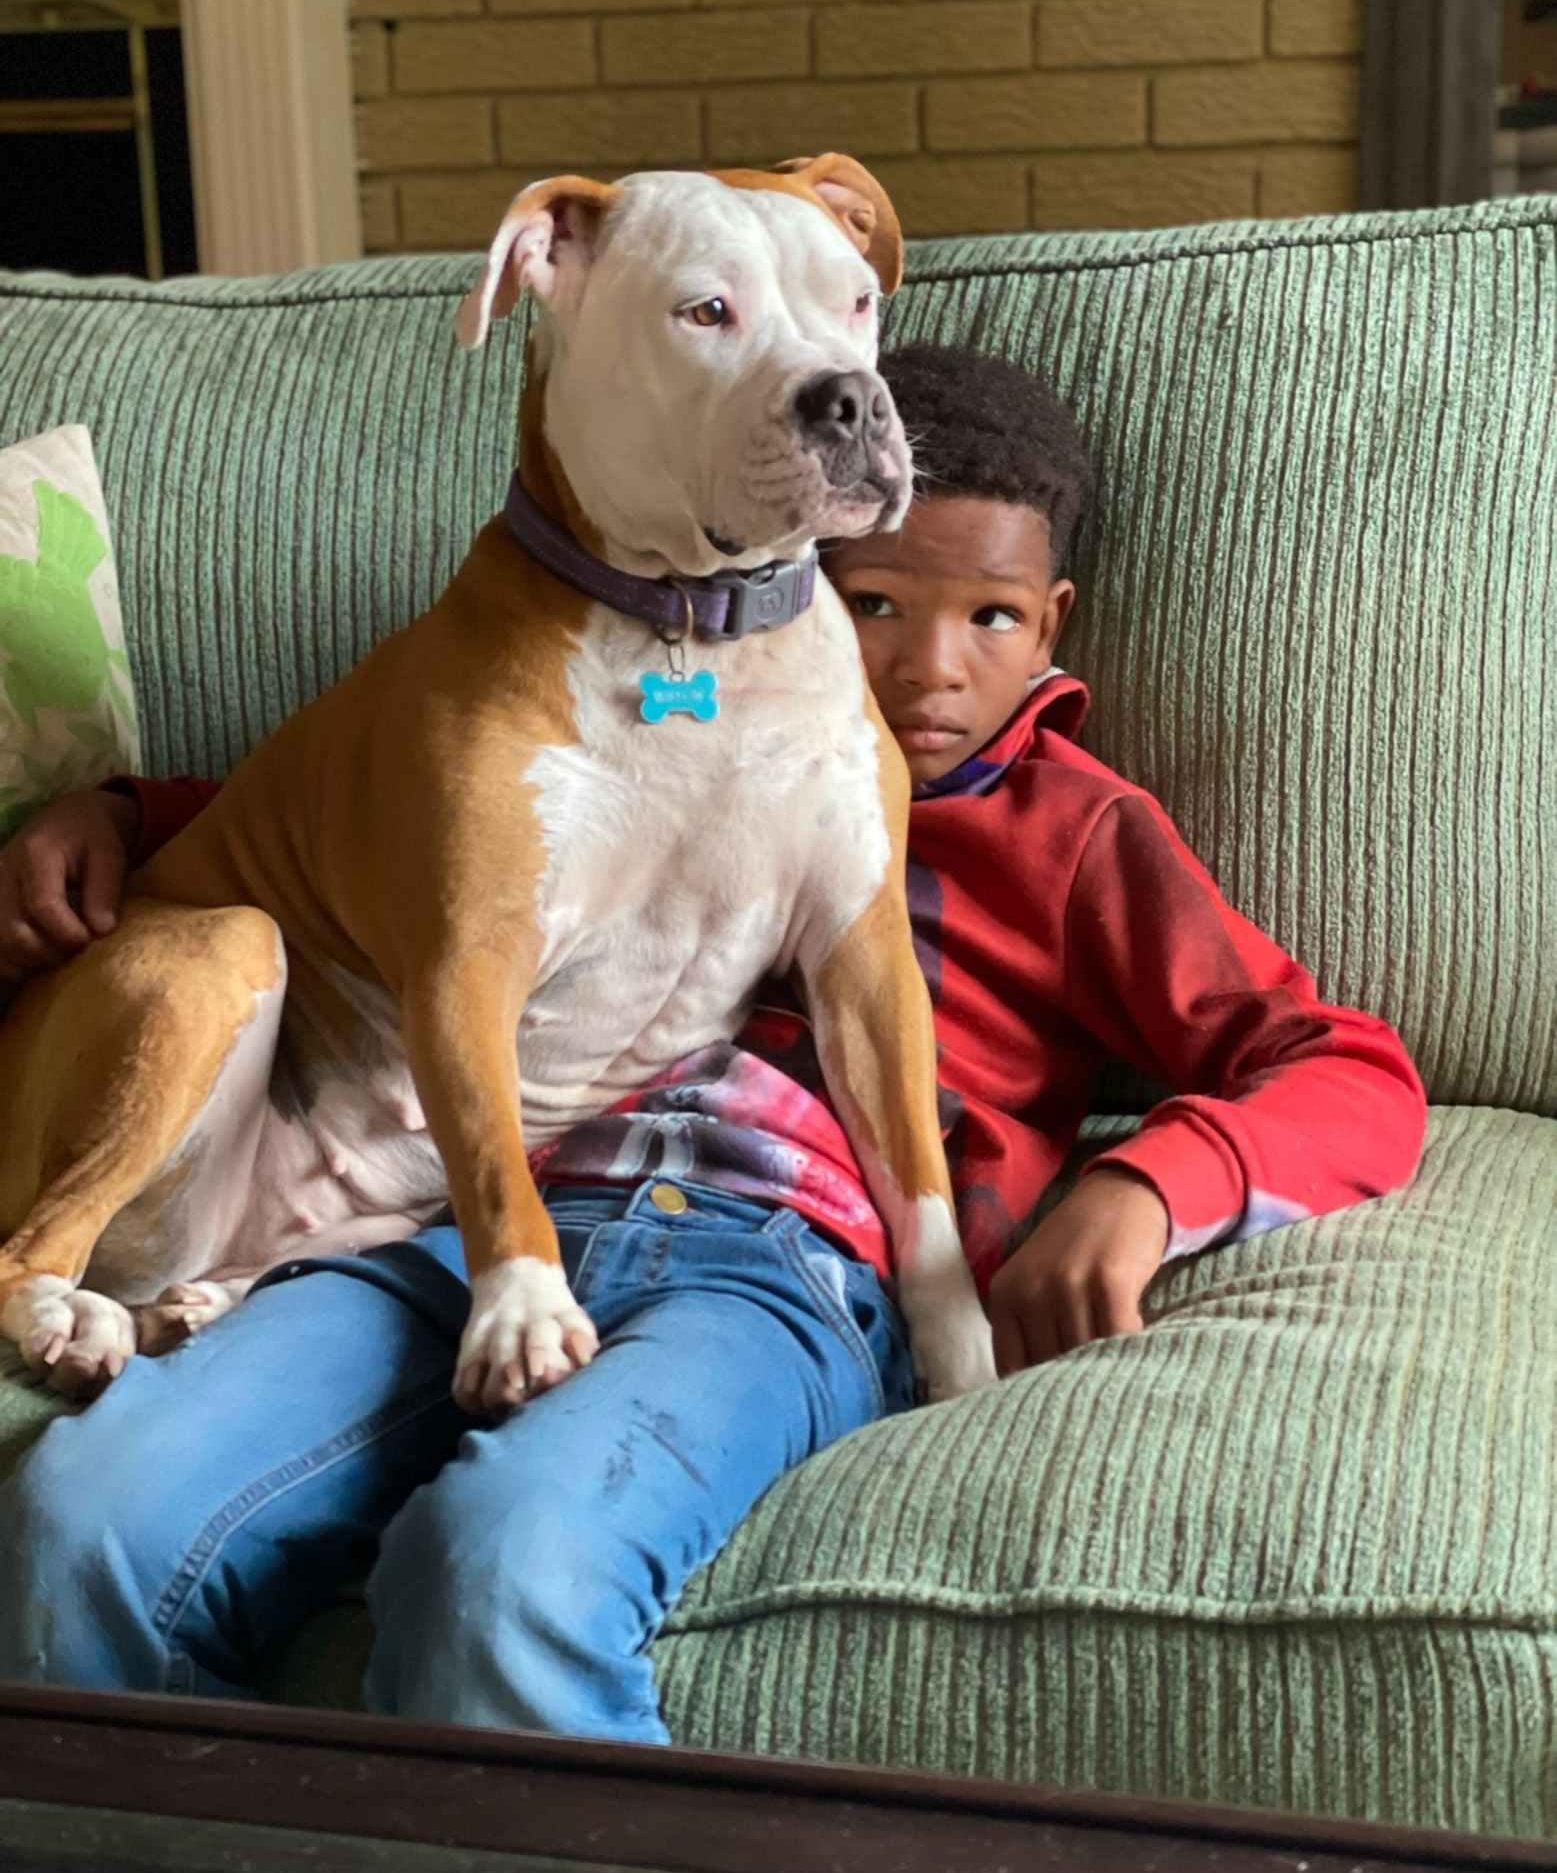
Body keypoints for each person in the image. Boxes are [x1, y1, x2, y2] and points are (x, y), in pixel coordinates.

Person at [0, 347, 1426, 1734]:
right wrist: (134, 814)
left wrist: (1142, 1187)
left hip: (778, 1271)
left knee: (497, 1569)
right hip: (453, 1219)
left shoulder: (1067, 833)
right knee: (83, 1521)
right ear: (789, 579)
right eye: (873, 603)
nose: (929, 669)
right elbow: (396, 815)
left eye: (988, 619)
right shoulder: (644, 711)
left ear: (1049, 624)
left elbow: (1344, 1066)